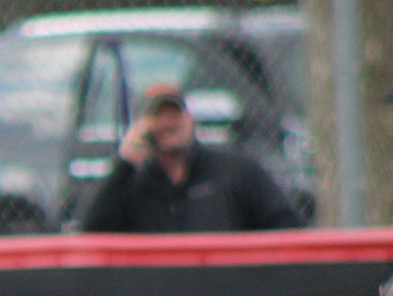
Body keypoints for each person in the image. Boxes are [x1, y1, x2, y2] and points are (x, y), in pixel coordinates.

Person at [79, 84, 305, 233]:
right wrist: (125, 164)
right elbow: (90, 233)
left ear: (190, 119)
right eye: (158, 115)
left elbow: (288, 226)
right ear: (142, 127)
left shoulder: (236, 170)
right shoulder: (132, 188)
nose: (169, 122)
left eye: (175, 113)